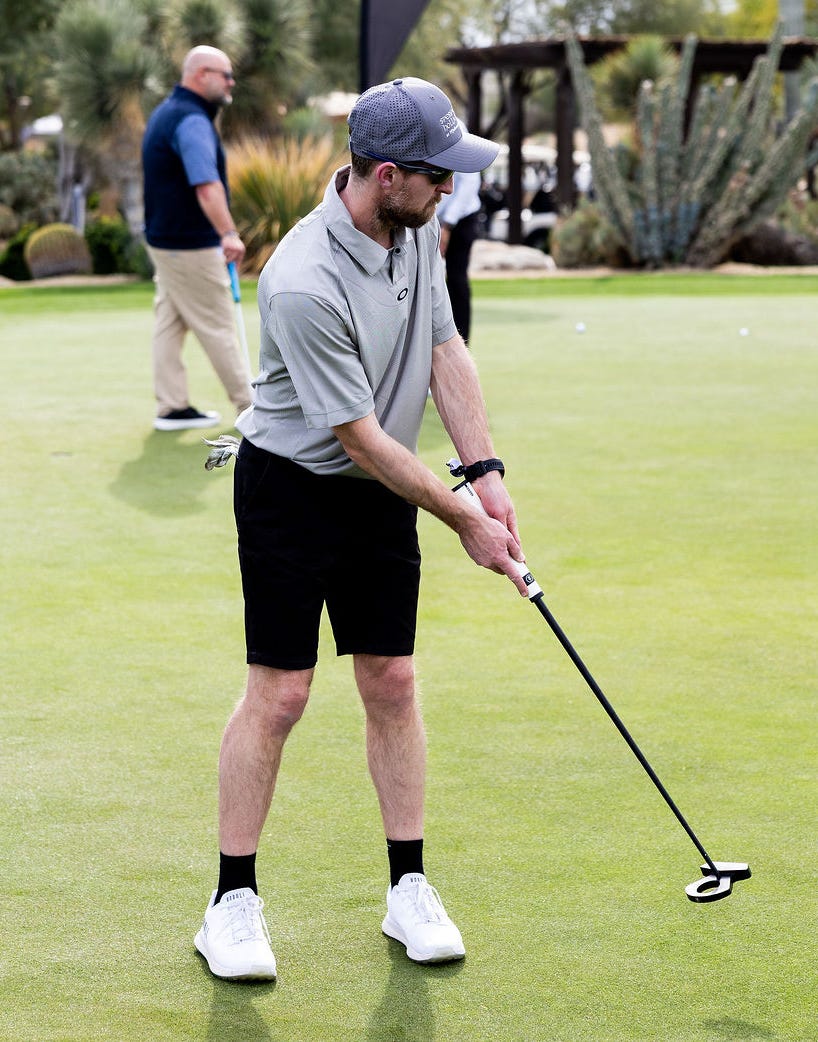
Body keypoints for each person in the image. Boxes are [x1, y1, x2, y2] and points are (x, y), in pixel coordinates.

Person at [193, 76, 529, 982]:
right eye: (437, 176)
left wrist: (486, 473)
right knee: (282, 692)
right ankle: (230, 902)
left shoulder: (414, 231)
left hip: (384, 485)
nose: (450, 188)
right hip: (293, 487)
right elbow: (363, 438)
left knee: (392, 678)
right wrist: (463, 519)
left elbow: (442, 346)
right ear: (387, 175)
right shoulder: (301, 281)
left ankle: (407, 889)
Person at [141, 45, 252, 432]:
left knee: (169, 320)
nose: (230, 82)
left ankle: (171, 407)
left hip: (165, 241)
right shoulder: (190, 120)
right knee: (218, 324)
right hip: (189, 244)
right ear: (201, 74)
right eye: (225, 74)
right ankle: (252, 412)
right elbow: (206, 185)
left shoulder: (168, 112)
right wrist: (228, 232)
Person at [436, 121, 484, 343]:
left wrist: (447, 225)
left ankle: (462, 342)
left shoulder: (454, 129)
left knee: (456, 278)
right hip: (432, 218)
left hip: (462, 219)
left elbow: (468, 184)